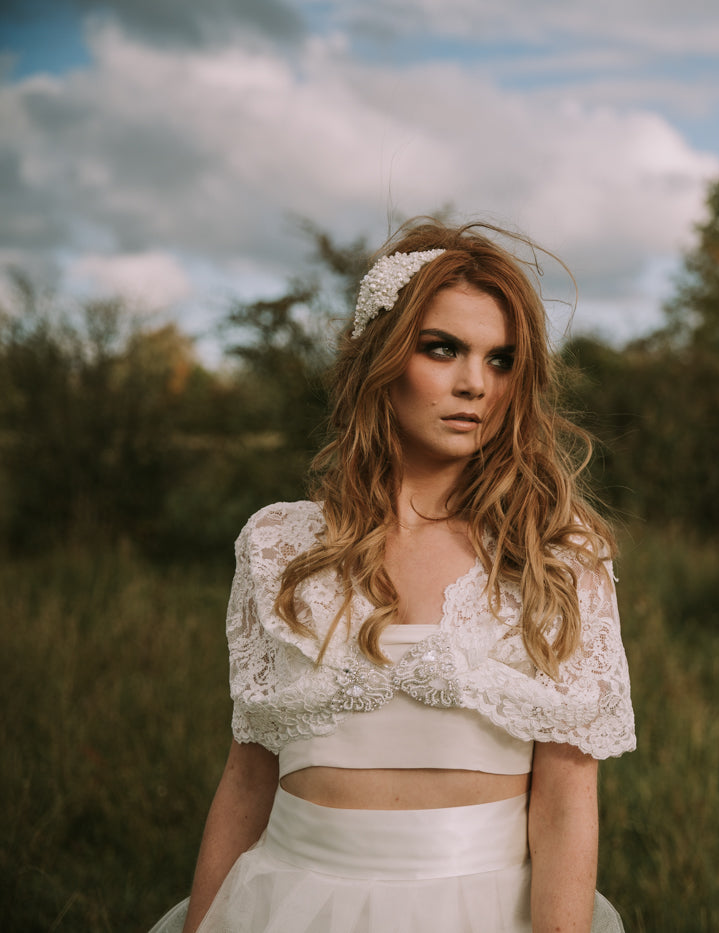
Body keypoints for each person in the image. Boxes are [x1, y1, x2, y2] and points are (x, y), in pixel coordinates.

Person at [150, 219, 635, 933]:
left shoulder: (555, 555)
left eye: (501, 359)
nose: (475, 383)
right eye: (443, 349)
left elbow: (567, 800)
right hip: (287, 904)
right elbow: (248, 774)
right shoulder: (278, 547)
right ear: (382, 354)